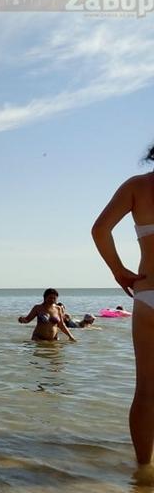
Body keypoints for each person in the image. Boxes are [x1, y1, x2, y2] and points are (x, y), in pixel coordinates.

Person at [92, 145, 154, 466]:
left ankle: (143, 471)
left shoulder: (137, 186)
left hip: (147, 294)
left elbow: (100, 229)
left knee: (145, 390)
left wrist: (119, 271)